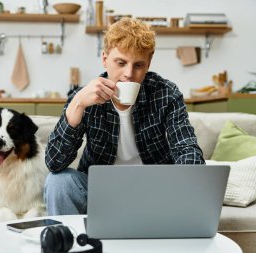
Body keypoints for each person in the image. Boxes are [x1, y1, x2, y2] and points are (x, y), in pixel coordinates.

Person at [44, 17, 205, 215]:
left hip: (154, 193)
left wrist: (189, 181)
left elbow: (186, 148)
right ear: (105, 59)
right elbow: (53, 163)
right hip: (100, 193)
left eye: (138, 65)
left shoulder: (166, 94)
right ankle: (64, 244)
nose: (129, 73)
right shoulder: (85, 97)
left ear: (148, 64)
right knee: (58, 182)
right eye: (120, 62)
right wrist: (77, 104)